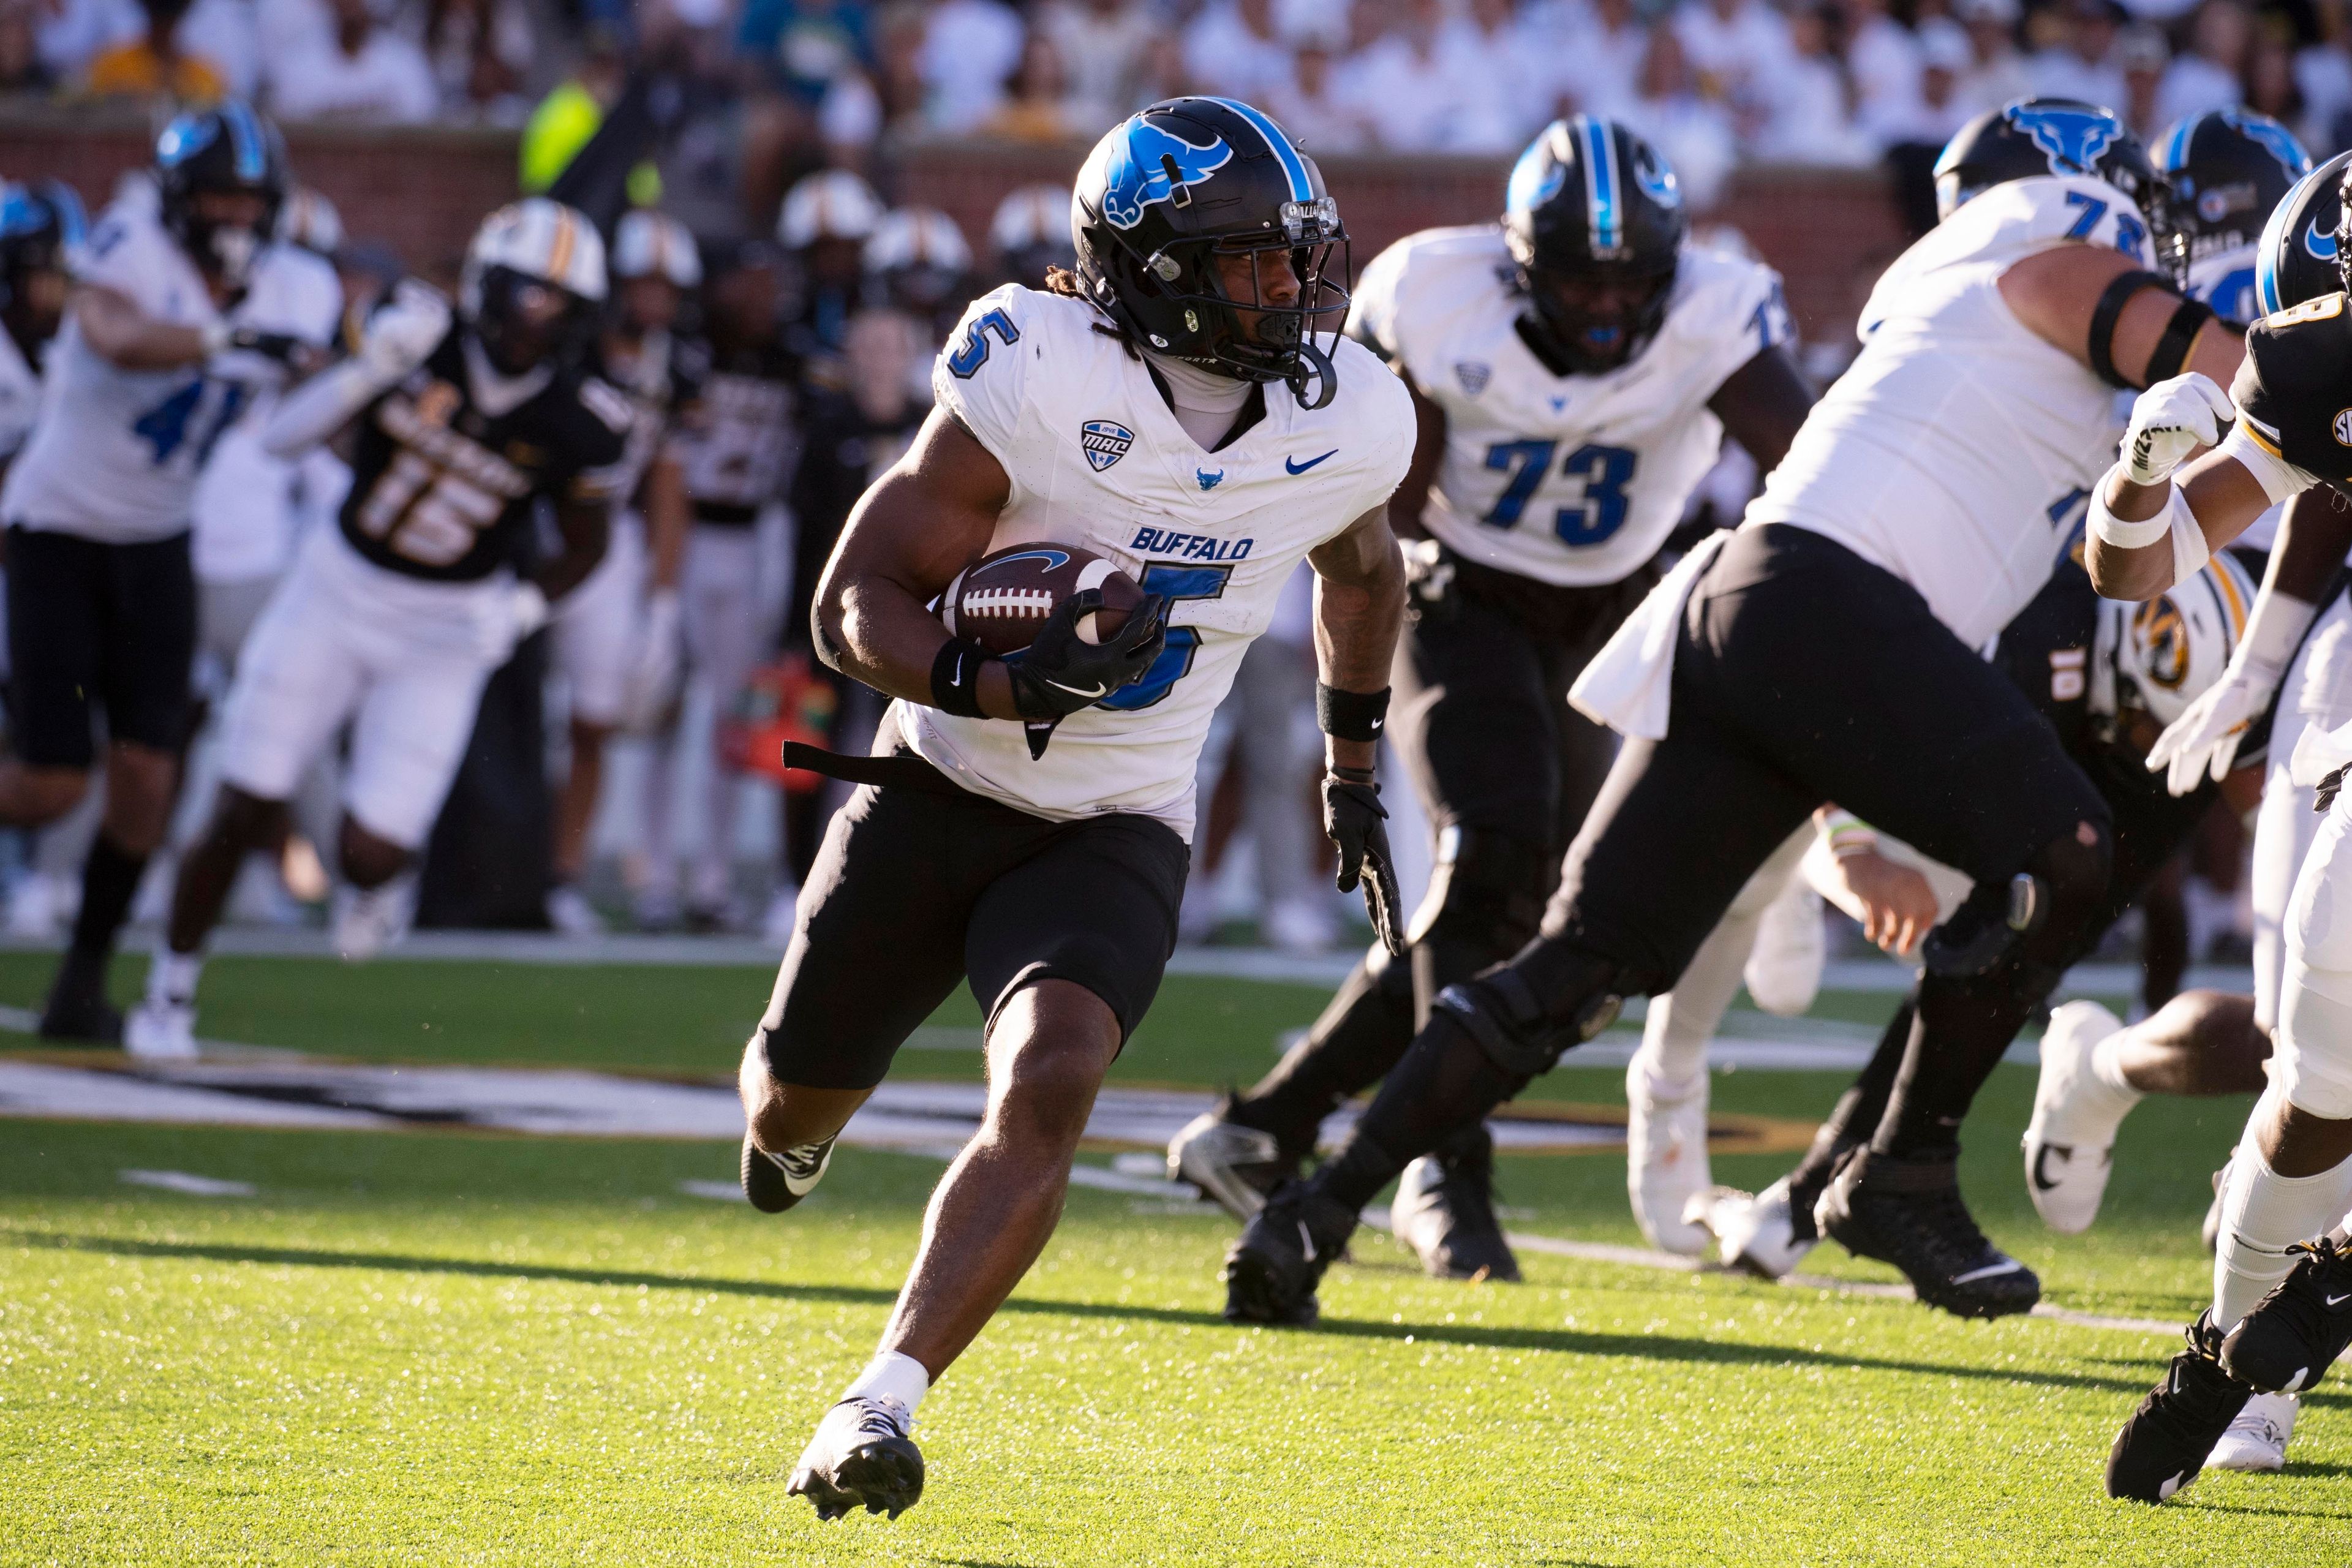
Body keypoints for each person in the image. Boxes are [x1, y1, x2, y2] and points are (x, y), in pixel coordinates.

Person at [1218, 98, 2242, 1329]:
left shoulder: (1962, 325)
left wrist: (1843, 826)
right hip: (1817, 608)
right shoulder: (2062, 253)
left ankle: (1313, 1209)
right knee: (2070, 858)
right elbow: (2235, 372)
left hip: (1762, 614)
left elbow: (2087, 557)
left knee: (1575, 965)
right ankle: (1901, 1169)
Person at [752, 96, 1414, 1522]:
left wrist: (1349, 759)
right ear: (1154, 266)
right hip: (935, 784)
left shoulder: (1344, 412)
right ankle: (789, 1127)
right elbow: (849, 602)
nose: (1292, 288)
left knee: (1052, 1071)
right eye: (1253, 261)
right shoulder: (1040, 369)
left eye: (1300, 256)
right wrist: (989, 678)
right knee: (792, 1092)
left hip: (1117, 814)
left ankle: (881, 1396)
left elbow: (1365, 574)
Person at [1166, 115, 1817, 1278]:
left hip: (1617, 607)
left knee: (1523, 918)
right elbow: (1380, 487)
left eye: (1632, 280)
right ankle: (1437, 1168)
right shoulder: (1433, 290)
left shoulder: (1722, 306)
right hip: (1460, 591)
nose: (1609, 307)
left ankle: (1266, 1124)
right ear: (1521, 260)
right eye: (1579, 277)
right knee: (1494, 852)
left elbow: (1809, 466)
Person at [122, 198, 625, 1058]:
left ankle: (373, 887)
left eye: (556, 304)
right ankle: (168, 993)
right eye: (523, 294)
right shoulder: (412, 336)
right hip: (335, 587)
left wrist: (523, 607)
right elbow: (279, 440)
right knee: (245, 795)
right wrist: (364, 372)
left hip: (445, 631)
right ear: (484, 286)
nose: (532, 319)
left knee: (369, 852)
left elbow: (588, 544)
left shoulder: (585, 420)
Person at [2082, 148, 2352, 1502]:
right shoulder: (2316, 367)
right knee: (2316, 1072)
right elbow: (2132, 563)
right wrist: (2140, 469)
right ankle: (2242, 1347)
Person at [0, 104, 332, 1043]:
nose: (235, 216)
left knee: (148, 780)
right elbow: (108, 330)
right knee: (53, 783)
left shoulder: (295, 284)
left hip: (161, 541)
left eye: (249, 199)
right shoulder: (131, 244)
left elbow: (316, 410)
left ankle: (81, 981)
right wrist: (220, 342)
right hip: (59, 530)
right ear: (183, 200)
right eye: (219, 196)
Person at [546, 208, 701, 936]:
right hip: (536, 535)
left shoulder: (667, 366)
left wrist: (664, 596)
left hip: (608, 543)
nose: (654, 305)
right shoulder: (568, 351)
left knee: (592, 718)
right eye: (642, 287)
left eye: (667, 291)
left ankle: (562, 874)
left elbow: (666, 481)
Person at [646, 238, 798, 931]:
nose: (761, 301)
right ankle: (653, 872)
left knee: (731, 713)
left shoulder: (790, 360)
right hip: (679, 537)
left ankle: (709, 872)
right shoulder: (685, 355)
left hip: (751, 539)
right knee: (665, 708)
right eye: (749, 284)